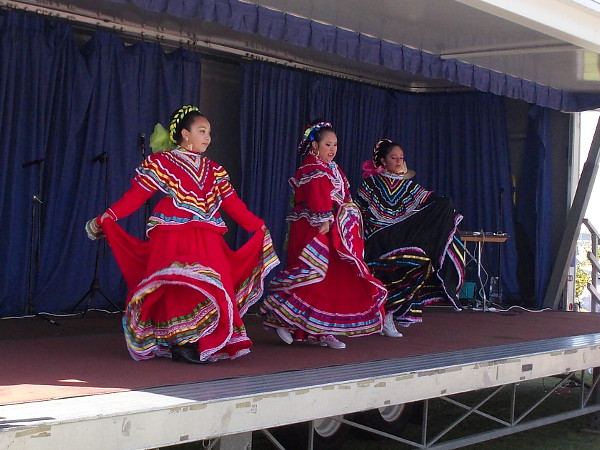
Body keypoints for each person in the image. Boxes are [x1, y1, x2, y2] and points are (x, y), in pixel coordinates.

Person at [85, 105, 279, 364]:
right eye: (201, 131)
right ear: (185, 134)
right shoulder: (163, 163)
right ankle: (181, 341)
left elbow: (233, 204)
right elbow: (137, 196)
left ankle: (200, 337)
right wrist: (109, 215)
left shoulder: (214, 170)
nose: (207, 137)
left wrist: (257, 225)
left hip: (208, 237)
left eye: (209, 132)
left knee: (212, 283)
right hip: (173, 234)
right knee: (178, 285)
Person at [260, 121, 390, 349]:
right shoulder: (312, 168)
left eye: (335, 145)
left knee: (330, 280)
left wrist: (347, 219)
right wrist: (324, 219)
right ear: (314, 146)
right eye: (327, 144)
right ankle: (282, 318)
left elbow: (345, 196)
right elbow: (317, 199)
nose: (332, 149)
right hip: (313, 228)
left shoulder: (333, 169)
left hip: (333, 229)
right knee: (312, 275)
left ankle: (321, 330)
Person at [356, 139, 464, 327]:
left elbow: (430, 199)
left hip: (399, 236)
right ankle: (383, 315)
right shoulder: (370, 184)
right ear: (383, 161)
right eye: (393, 158)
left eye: (401, 158)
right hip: (377, 237)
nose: (398, 162)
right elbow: (355, 210)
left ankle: (390, 313)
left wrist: (447, 210)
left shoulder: (408, 186)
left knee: (444, 207)